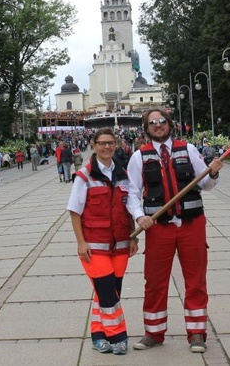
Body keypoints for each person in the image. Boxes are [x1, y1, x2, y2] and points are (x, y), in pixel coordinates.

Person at [127, 109, 223, 354]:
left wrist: (213, 172)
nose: (158, 126)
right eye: (152, 123)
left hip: (192, 225)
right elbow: (132, 194)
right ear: (146, 129)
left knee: (196, 280)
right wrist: (140, 217)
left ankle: (197, 334)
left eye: (161, 121)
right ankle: (154, 333)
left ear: (169, 125)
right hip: (159, 228)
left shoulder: (188, 149)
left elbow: (206, 184)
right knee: (155, 282)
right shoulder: (139, 156)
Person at [67, 128, 146, 356]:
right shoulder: (84, 176)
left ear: (116, 144)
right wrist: (81, 243)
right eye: (102, 143)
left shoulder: (122, 174)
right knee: (108, 293)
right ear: (94, 145)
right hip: (94, 245)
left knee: (110, 292)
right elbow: (74, 211)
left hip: (121, 244)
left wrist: (133, 236)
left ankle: (98, 335)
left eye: (110, 143)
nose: (106, 147)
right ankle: (118, 336)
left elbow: (128, 206)